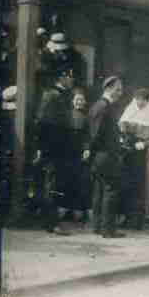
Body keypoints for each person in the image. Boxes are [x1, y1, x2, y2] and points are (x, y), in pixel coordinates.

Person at [33, 65, 77, 235]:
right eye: (70, 76)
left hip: (60, 149)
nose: (72, 80)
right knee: (51, 184)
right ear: (62, 77)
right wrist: (40, 148)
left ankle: (51, 222)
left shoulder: (62, 95)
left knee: (55, 184)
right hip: (52, 149)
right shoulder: (52, 95)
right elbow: (43, 122)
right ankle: (51, 223)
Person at [87, 76, 126, 238]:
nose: (120, 92)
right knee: (110, 191)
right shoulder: (104, 107)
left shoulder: (102, 106)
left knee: (99, 191)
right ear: (108, 89)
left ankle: (97, 226)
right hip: (105, 156)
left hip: (101, 156)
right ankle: (108, 230)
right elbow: (95, 135)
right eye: (118, 89)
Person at [118, 88, 149, 231]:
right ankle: (127, 217)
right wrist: (123, 138)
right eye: (138, 99)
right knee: (127, 183)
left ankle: (137, 219)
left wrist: (144, 143)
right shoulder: (129, 110)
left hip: (140, 150)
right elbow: (121, 126)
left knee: (138, 184)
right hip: (127, 149)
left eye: (143, 100)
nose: (140, 102)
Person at [65, 87, 92, 224]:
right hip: (67, 151)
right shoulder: (66, 115)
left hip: (80, 153)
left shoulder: (87, 118)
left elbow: (88, 136)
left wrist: (87, 149)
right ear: (72, 101)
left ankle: (78, 211)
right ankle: (65, 210)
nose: (79, 102)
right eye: (77, 99)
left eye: (82, 100)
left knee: (80, 182)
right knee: (66, 180)